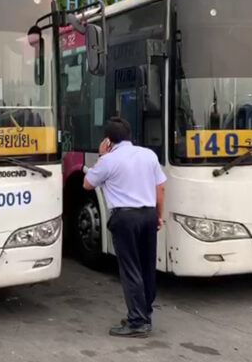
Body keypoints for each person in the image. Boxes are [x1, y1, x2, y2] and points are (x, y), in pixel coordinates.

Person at [83, 117, 166, 338]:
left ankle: (137, 321)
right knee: (147, 266)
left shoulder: (109, 160)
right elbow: (160, 191)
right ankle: (145, 314)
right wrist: (159, 216)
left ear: (108, 141)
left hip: (125, 218)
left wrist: (102, 156)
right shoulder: (149, 155)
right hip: (148, 214)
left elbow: (87, 183)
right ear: (130, 135)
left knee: (130, 270)